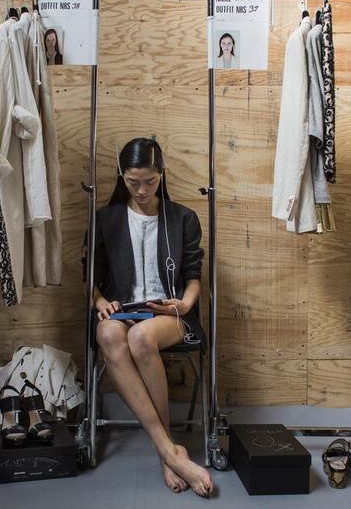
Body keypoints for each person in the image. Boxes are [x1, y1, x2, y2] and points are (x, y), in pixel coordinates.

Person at [89, 137, 213, 497]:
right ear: (121, 176)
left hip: (168, 312)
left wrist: (185, 305)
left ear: (162, 175)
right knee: (109, 335)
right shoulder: (106, 219)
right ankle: (169, 452)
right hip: (122, 308)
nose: (141, 190)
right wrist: (100, 303)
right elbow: (91, 277)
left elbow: (193, 276)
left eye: (149, 181)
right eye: (132, 182)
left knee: (141, 338)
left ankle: (167, 450)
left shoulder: (183, 218)